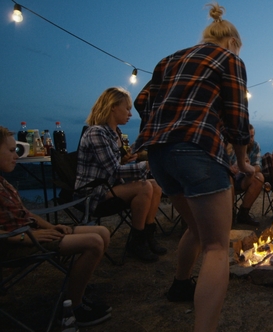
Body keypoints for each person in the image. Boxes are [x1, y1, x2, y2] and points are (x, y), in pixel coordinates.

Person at [133, 3, 254, 331]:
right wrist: (242, 160)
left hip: (159, 155)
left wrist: (162, 125)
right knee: (216, 245)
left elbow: (141, 101)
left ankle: (181, 284)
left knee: (197, 230)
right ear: (233, 42)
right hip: (198, 151)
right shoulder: (230, 60)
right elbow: (237, 116)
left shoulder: (169, 59)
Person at [0, 126, 112, 326]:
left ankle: (75, 292)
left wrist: (50, 227)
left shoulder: (3, 183)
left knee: (102, 232)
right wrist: (25, 237)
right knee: (94, 242)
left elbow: (26, 214)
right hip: (13, 244)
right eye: (10, 151)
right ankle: (73, 309)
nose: (16, 155)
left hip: (31, 233)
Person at [76, 87, 166, 263]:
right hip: (92, 193)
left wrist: (126, 159)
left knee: (155, 185)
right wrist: (148, 164)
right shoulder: (97, 133)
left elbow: (113, 166)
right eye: (127, 108)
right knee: (144, 186)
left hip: (109, 187)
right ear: (112, 107)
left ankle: (147, 236)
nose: (130, 114)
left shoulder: (114, 134)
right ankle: (136, 243)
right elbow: (114, 171)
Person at [227, 124, 264, 226]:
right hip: (229, 178)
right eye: (248, 136)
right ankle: (230, 214)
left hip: (244, 178)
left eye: (252, 136)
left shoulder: (255, 146)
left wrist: (250, 168)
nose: (251, 139)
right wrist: (231, 168)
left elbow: (258, 165)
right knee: (227, 177)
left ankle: (243, 213)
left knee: (259, 177)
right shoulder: (231, 145)